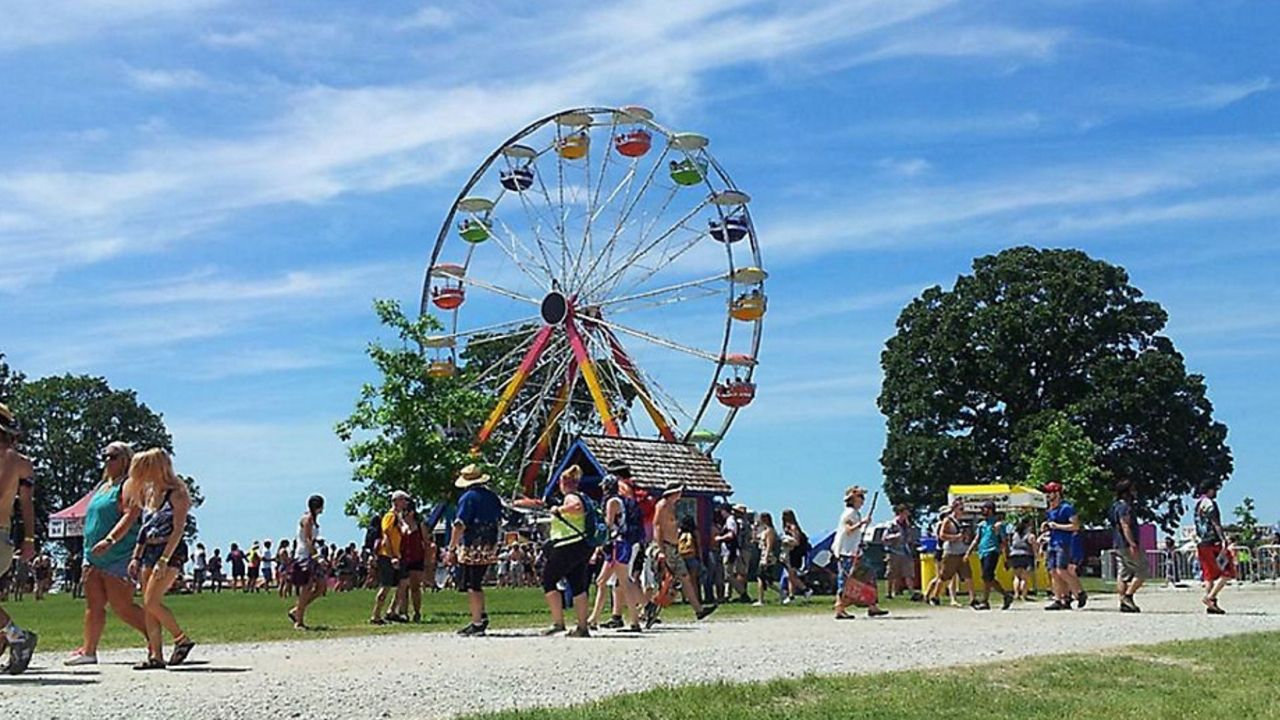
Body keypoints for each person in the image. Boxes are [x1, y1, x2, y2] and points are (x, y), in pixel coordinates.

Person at [64, 442, 149, 666]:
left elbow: (131, 515)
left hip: (118, 553)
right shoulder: (103, 486)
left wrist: (110, 539)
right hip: (92, 555)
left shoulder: (129, 485)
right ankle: (89, 650)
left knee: (122, 605)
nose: (107, 461)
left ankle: (155, 640)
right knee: (94, 605)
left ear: (125, 459)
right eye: (105, 457)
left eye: (112, 456)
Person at [126, 448, 196, 669]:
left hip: (170, 550)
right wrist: (136, 557)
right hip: (150, 550)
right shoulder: (148, 493)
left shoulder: (177, 493)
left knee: (152, 600)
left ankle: (181, 639)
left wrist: (164, 560)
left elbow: (178, 529)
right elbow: (144, 529)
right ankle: (155, 655)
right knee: (148, 606)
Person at [515, 465, 596, 637]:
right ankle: (582, 627)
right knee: (578, 585)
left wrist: (559, 510)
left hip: (567, 544)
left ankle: (558, 622)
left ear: (563, 482)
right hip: (583, 545)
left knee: (549, 579)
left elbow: (575, 507)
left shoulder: (571, 497)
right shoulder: (584, 496)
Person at [0, 403, 39, 674]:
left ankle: (17, 636)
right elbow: (26, 504)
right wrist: (28, 539)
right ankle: (13, 636)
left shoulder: (12, 460)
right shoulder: (22, 462)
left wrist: (29, 539)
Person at [586, 474, 643, 632]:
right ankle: (594, 618)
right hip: (617, 545)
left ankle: (635, 621)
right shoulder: (619, 500)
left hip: (618, 544)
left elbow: (609, 525)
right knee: (601, 581)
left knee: (624, 582)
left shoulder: (612, 502)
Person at [450, 464, 502, 636]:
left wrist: (452, 548)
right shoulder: (493, 497)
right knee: (476, 581)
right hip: (490, 542)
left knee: (473, 584)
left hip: (473, 543)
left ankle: (477, 622)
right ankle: (481, 614)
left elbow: (459, 524)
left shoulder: (467, 498)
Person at [833, 485, 888, 619]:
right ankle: (839, 607)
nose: (863, 500)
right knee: (846, 580)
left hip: (854, 551)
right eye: (860, 497)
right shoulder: (849, 513)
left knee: (868, 576)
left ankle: (872, 605)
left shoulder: (855, 513)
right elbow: (848, 529)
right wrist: (862, 523)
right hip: (846, 552)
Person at [1042, 482, 1085, 611]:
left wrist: (1057, 526)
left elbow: (1075, 526)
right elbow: (1052, 525)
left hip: (1064, 543)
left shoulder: (1067, 508)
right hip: (1052, 542)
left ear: (1057, 493)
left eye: (1050, 492)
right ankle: (1060, 598)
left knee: (1062, 570)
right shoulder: (1050, 509)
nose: (1048, 495)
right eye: (1047, 493)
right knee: (1053, 572)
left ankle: (1079, 592)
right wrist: (1046, 526)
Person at [925, 499, 975, 608]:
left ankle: (973, 599)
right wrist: (956, 537)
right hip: (951, 553)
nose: (962, 511)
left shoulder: (961, 521)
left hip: (962, 551)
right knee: (944, 577)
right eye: (961, 509)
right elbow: (942, 535)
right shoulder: (948, 521)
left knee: (968, 576)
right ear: (955, 509)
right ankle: (935, 596)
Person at [370, 490, 409, 625]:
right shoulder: (389, 516)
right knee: (385, 586)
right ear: (396, 501)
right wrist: (392, 556)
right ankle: (375, 615)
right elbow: (386, 536)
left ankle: (392, 611)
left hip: (397, 555)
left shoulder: (398, 517)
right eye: (403, 500)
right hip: (387, 555)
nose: (406, 503)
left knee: (403, 582)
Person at [1194, 481, 1233, 614]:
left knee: (1208, 575)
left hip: (1201, 542)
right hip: (1212, 542)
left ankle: (1212, 605)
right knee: (1228, 571)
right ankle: (1210, 597)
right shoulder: (1210, 504)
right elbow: (1215, 523)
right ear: (1209, 490)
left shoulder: (1198, 504)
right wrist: (1223, 539)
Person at [968, 500, 1014, 611]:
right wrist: (968, 552)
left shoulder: (998, 524)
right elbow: (976, 539)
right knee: (987, 578)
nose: (982, 511)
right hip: (982, 552)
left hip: (993, 551)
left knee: (986, 575)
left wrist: (1006, 557)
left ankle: (996, 597)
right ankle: (991, 599)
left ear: (990, 510)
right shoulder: (982, 525)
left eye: (984, 509)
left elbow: (1003, 541)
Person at [288, 495, 325, 629]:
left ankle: (296, 610)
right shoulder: (307, 519)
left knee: (321, 587)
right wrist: (317, 557)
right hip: (305, 556)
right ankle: (299, 621)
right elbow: (308, 540)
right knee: (306, 587)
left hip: (312, 554)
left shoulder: (314, 520)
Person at [1109, 480, 1146, 613]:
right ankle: (1128, 596)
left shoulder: (1114, 506)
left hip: (1117, 543)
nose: (1135, 492)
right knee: (1142, 571)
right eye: (1133, 490)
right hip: (1126, 544)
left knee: (1123, 573)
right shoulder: (1125, 507)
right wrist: (1132, 544)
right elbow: (1125, 525)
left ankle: (1123, 602)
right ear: (1126, 492)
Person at [397, 502, 429, 623]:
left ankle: (417, 612)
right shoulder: (401, 526)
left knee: (415, 587)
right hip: (404, 559)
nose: (404, 514)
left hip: (417, 559)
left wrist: (427, 562)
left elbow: (427, 543)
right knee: (403, 587)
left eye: (406, 511)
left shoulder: (420, 526)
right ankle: (403, 613)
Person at [882, 504, 917, 600]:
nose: (907, 515)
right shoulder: (891, 524)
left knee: (908, 572)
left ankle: (912, 593)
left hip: (905, 551)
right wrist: (895, 536)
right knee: (891, 573)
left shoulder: (907, 525)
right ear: (901, 513)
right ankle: (888, 593)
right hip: (893, 551)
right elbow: (884, 538)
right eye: (906, 513)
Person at [752, 511, 782, 606]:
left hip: (767, 556)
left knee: (760, 577)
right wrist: (754, 528)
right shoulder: (764, 531)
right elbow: (755, 539)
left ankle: (761, 600)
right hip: (763, 554)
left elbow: (769, 545)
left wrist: (766, 558)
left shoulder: (770, 531)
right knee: (767, 581)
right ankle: (782, 592)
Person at [1008, 518, 1037, 601]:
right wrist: (1036, 556)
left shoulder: (1015, 534)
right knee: (1024, 577)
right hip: (1026, 555)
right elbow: (1034, 547)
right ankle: (1024, 595)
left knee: (1016, 577)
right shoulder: (1030, 535)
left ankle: (1016, 594)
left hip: (1014, 555)